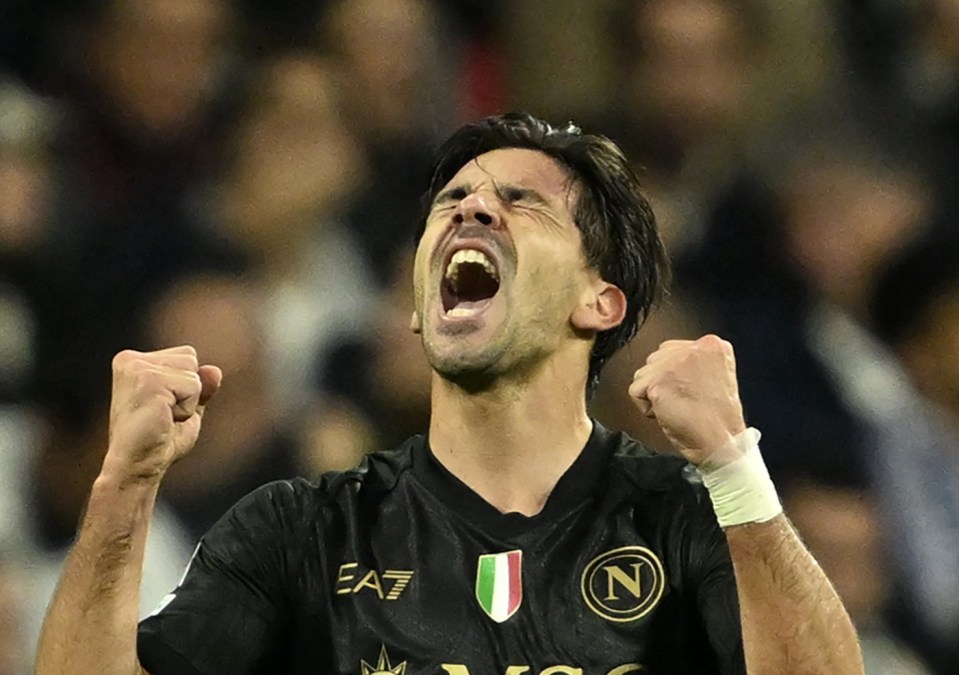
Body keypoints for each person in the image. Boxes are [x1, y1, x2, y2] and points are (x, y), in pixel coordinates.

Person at [36, 113, 863, 674]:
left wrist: (731, 465)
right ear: (417, 302)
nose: (471, 210)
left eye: (520, 203)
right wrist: (122, 490)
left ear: (598, 299)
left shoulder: (686, 521)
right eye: (452, 202)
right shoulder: (299, 531)